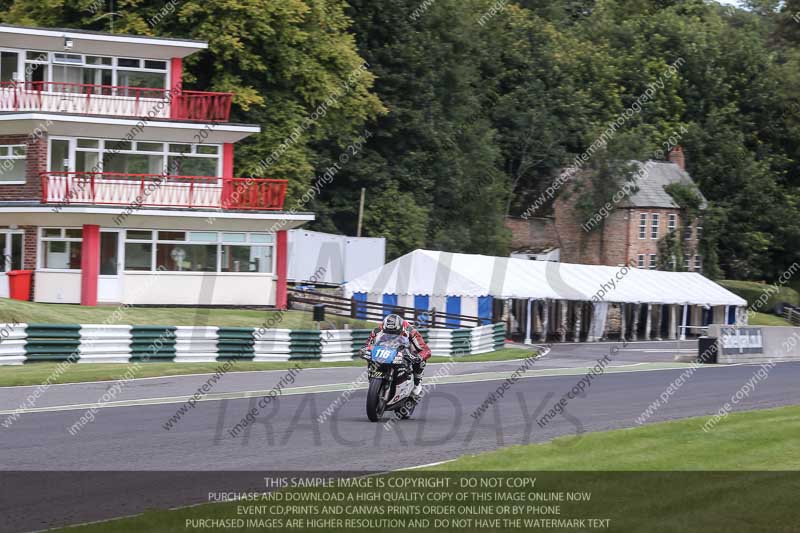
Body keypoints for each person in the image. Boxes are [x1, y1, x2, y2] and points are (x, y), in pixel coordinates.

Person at [362, 313, 431, 398]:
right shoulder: (378, 329)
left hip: (403, 349)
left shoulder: (410, 330)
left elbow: (426, 350)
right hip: (385, 349)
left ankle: (417, 383)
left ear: (400, 328)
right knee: (370, 356)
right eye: (388, 332)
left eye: (394, 332)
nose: (391, 334)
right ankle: (373, 378)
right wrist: (365, 350)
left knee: (420, 361)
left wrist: (417, 357)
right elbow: (368, 345)